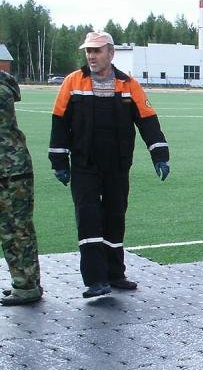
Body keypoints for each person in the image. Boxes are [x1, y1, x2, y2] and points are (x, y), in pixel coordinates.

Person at [49, 31, 170, 298]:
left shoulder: (128, 85)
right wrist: (58, 160)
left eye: (97, 51)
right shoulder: (73, 82)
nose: (91, 56)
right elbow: (59, 122)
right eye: (88, 51)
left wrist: (160, 154)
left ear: (111, 53)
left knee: (115, 217)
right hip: (84, 165)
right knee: (89, 218)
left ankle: (115, 274)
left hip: (117, 166)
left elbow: (148, 121)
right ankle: (95, 280)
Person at [0, 69, 43, 306]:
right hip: (13, 168)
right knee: (20, 228)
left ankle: (26, 286)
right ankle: (29, 281)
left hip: (8, 170)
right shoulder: (5, 86)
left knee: (13, 230)